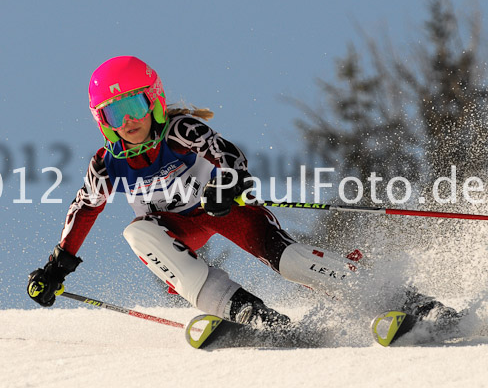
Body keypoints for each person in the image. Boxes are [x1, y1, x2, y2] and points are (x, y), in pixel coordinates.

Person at [27, 56, 457, 333]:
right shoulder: (106, 163)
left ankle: (398, 299)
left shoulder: (179, 131)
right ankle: (252, 314)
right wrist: (57, 267)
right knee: (137, 233)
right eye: (114, 113)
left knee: (289, 261)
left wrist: (225, 185)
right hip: (175, 228)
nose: (128, 121)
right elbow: (83, 209)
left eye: (135, 106)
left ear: (154, 101)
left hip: (223, 210)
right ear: (102, 121)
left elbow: (229, 155)